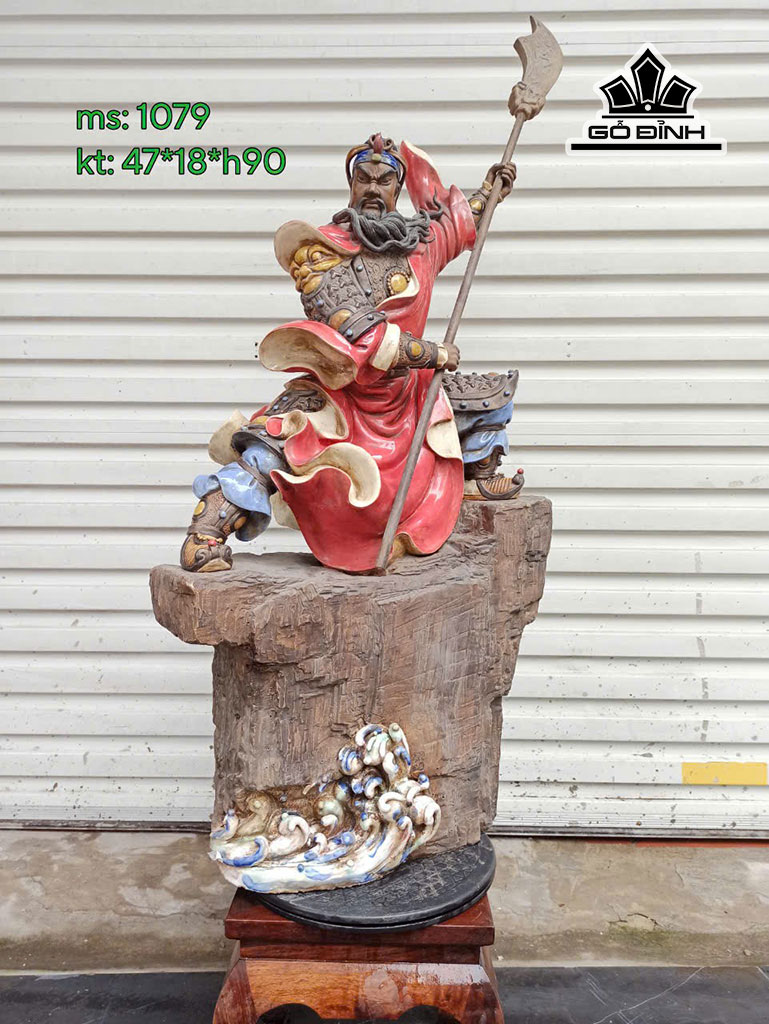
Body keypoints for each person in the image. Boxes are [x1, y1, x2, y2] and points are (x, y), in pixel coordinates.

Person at [181, 134, 523, 574]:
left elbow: (456, 225)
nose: (374, 188)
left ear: (398, 188)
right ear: (351, 183)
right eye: (365, 178)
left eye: (385, 180)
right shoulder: (319, 251)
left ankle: (474, 475)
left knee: (488, 395)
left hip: (407, 392)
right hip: (344, 390)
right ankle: (205, 534)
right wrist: (433, 353)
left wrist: (490, 192)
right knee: (274, 437)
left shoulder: (417, 244)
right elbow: (363, 335)